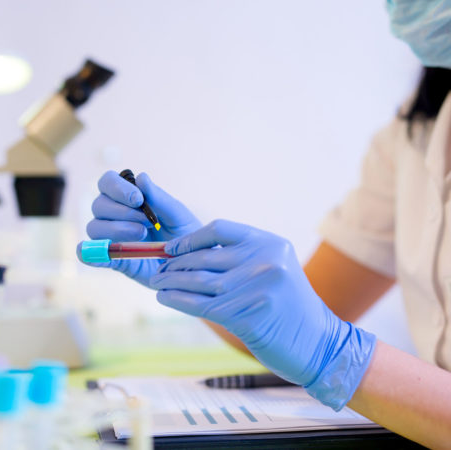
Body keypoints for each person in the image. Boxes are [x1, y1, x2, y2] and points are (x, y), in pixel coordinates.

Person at [78, 1, 451, 447]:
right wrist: (199, 272)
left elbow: (318, 338)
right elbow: (287, 324)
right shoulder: (419, 127)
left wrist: (335, 356)